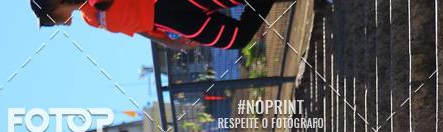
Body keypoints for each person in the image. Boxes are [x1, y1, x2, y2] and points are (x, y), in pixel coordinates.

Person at [30, 0, 277, 51]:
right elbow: (137, 28)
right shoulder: (90, 19)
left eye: (50, 17)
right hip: (170, 20)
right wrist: (169, 41)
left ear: (55, 6)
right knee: (235, 40)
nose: (55, 23)